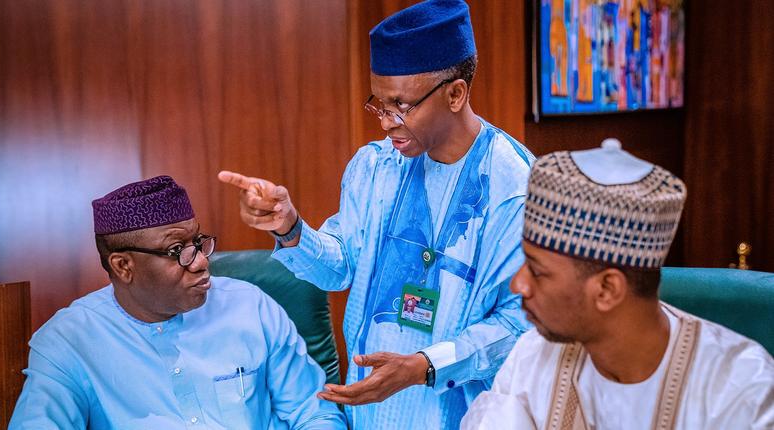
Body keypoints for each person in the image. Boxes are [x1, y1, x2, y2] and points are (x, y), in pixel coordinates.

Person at [218, 1, 534, 428]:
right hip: (371, 414)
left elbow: (521, 324)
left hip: (466, 415)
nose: (385, 123)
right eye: (379, 104)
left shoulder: (515, 188)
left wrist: (424, 366)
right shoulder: (374, 167)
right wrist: (290, 227)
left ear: (456, 93)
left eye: (400, 106)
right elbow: (341, 268)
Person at [461, 141, 774, 429]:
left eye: (538, 271)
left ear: (608, 289)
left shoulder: (739, 387)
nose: (518, 285)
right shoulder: (534, 356)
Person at [9, 176, 346, 429]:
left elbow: (315, 413)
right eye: (177, 251)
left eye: (198, 242)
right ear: (123, 266)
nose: (200, 261)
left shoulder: (250, 307)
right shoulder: (69, 341)